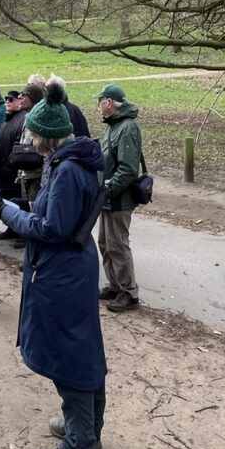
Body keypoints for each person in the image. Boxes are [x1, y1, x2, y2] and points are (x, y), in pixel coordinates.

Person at [0, 82, 107, 449]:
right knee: (82, 346)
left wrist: (10, 214)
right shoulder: (76, 161)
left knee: (68, 355)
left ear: (46, 135)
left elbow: (52, 227)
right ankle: (87, 426)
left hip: (61, 271)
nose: (29, 138)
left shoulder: (66, 170)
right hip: (73, 267)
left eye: (32, 133)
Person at [95, 83, 143, 313]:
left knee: (118, 245)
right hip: (107, 197)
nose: (98, 106)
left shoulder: (127, 127)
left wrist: (109, 188)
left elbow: (128, 168)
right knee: (105, 243)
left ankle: (129, 292)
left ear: (109, 103)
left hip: (118, 198)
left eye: (100, 101)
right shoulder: (114, 126)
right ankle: (115, 285)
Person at [0, 90, 25, 240]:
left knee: (16, 201)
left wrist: (9, 163)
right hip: (4, 169)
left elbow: (19, 146)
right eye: (6, 99)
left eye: (11, 99)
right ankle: (11, 227)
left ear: (20, 102)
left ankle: (20, 230)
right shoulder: (7, 120)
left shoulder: (21, 119)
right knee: (6, 200)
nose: (8, 102)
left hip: (13, 169)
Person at [15, 84, 45, 204]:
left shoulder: (41, 118)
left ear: (33, 98)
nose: (19, 97)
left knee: (36, 212)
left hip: (38, 176)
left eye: (23, 95)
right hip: (25, 175)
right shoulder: (27, 118)